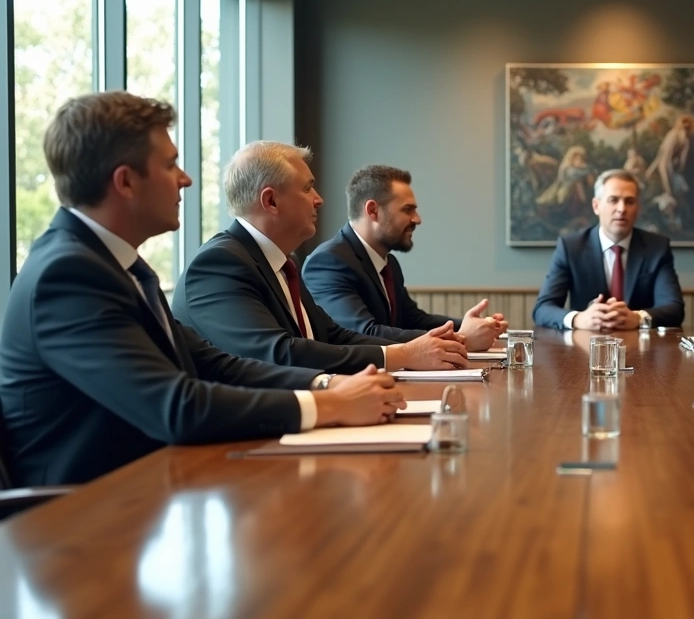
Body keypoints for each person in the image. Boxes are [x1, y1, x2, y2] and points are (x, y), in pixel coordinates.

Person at [0, 92, 402, 487]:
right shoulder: (68, 274)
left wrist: (328, 385)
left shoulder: (117, 265)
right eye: (171, 164)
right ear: (125, 182)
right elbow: (175, 406)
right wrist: (329, 405)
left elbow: (214, 364)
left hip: (145, 492)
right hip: (77, 521)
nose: (186, 179)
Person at [172, 141, 469, 374]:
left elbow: (334, 335)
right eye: (307, 187)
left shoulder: (283, 263)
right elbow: (277, 353)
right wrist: (401, 355)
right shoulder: (220, 264)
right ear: (271, 201)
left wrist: (416, 350)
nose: (319, 198)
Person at [303, 165, 508, 352]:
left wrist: (475, 325)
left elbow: (413, 320)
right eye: (407, 209)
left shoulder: (389, 263)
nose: (417, 219)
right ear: (372, 210)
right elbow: (364, 332)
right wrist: (460, 337)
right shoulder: (328, 262)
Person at [532, 169, 685, 330]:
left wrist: (638, 318)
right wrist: (578, 318)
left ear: (638, 208)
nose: (621, 209)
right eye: (613, 200)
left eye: (629, 201)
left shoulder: (657, 248)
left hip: (640, 347)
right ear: (596, 206)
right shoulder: (571, 247)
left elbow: (674, 308)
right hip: (584, 347)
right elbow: (542, 309)